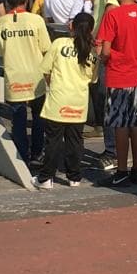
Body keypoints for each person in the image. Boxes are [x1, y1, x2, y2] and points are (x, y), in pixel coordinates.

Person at [96, 0, 137, 187]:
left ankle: (121, 169)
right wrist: (133, 53)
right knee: (136, 123)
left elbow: (106, 50)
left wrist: (105, 56)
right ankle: (136, 169)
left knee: (120, 125)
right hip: (136, 75)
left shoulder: (112, 15)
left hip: (117, 76)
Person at [33, 13, 99, 189]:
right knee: (75, 141)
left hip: (58, 100)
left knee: (53, 140)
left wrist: (53, 84)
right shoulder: (92, 52)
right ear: (91, 30)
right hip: (79, 102)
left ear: (72, 27)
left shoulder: (59, 44)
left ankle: (46, 178)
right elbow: (93, 79)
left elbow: (46, 71)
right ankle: (74, 177)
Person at [0, 0, 52, 167]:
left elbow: (0, 51)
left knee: (18, 119)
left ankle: (21, 155)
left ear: (8, 1)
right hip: (36, 76)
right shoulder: (36, 21)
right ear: (26, 0)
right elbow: (46, 49)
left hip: (14, 77)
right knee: (38, 117)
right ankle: (37, 154)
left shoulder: (2, 22)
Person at [81, 0, 120, 169]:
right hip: (103, 49)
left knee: (108, 102)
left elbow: (111, 11)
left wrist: (101, 42)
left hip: (107, 51)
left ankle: (112, 151)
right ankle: (112, 149)